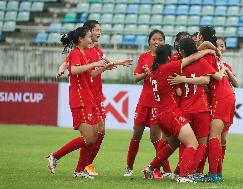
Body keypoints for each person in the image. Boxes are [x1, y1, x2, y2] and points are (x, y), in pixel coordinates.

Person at [56, 20, 133, 176]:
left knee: (100, 132)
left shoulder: (97, 51)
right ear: (88, 32)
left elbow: (106, 62)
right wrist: (61, 69)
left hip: (95, 96)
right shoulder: (79, 52)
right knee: (91, 135)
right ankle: (82, 166)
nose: (99, 33)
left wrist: (119, 62)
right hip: (83, 97)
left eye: (100, 30)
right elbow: (68, 64)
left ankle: (86, 165)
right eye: (97, 30)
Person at [143, 44, 216, 183]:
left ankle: (150, 168)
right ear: (169, 57)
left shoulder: (155, 71)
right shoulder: (167, 67)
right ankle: (183, 176)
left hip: (160, 115)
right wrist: (207, 50)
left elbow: (176, 90)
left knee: (172, 144)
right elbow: (191, 58)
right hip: (171, 113)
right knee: (193, 144)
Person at [47, 26, 107, 179]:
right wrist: (94, 64)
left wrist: (104, 67)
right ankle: (55, 156)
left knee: (93, 137)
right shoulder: (75, 53)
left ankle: (79, 170)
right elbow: (73, 70)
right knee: (89, 138)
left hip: (89, 99)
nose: (91, 39)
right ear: (81, 39)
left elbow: (90, 74)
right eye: (89, 36)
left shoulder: (82, 54)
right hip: (80, 100)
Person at [124, 30, 171, 179]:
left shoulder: (167, 59)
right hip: (144, 102)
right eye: (154, 39)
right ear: (149, 41)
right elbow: (136, 78)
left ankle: (164, 170)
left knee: (155, 139)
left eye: (160, 39)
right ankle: (129, 168)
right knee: (136, 135)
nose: (157, 42)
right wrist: (146, 73)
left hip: (158, 104)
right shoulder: (144, 57)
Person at [196, 27, 237, 182]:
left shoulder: (206, 56)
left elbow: (210, 79)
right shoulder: (213, 54)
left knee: (213, 137)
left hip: (221, 96)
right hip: (226, 95)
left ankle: (213, 174)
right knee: (219, 137)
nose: (197, 38)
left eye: (198, 36)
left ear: (201, 37)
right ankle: (217, 173)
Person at [215, 37, 238, 178]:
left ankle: (218, 170)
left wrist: (227, 72)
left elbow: (236, 83)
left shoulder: (226, 66)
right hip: (214, 104)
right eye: (217, 46)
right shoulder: (210, 63)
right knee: (213, 139)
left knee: (223, 139)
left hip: (226, 105)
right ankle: (207, 170)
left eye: (222, 46)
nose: (220, 48)